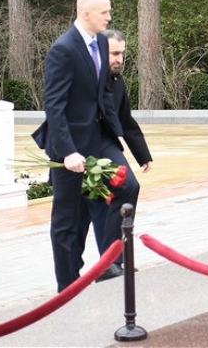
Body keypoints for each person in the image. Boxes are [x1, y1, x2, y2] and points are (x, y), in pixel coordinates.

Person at [32, 0, 140, 291]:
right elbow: (54, 105)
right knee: (69, 219)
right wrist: (67, 151)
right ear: (86, 13)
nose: (109, 17)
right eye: (105, 12)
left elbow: (103, 91)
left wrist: (117, 130)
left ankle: (108, 261)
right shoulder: (63, 49)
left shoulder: (102, 43)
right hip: (69, 146)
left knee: (128, 185)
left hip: (99, 138)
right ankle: (67, 287)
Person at [76, 28, 153, 280]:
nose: (119, 59)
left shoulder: (117, 81)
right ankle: (108, 263)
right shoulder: (85, 76)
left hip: (105, 143)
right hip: (84, 145)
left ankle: (111, 263)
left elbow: (125, 119)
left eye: (122, 53)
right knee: (126, 187)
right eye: (114, 53)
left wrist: (142, 155)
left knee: (110, 198)